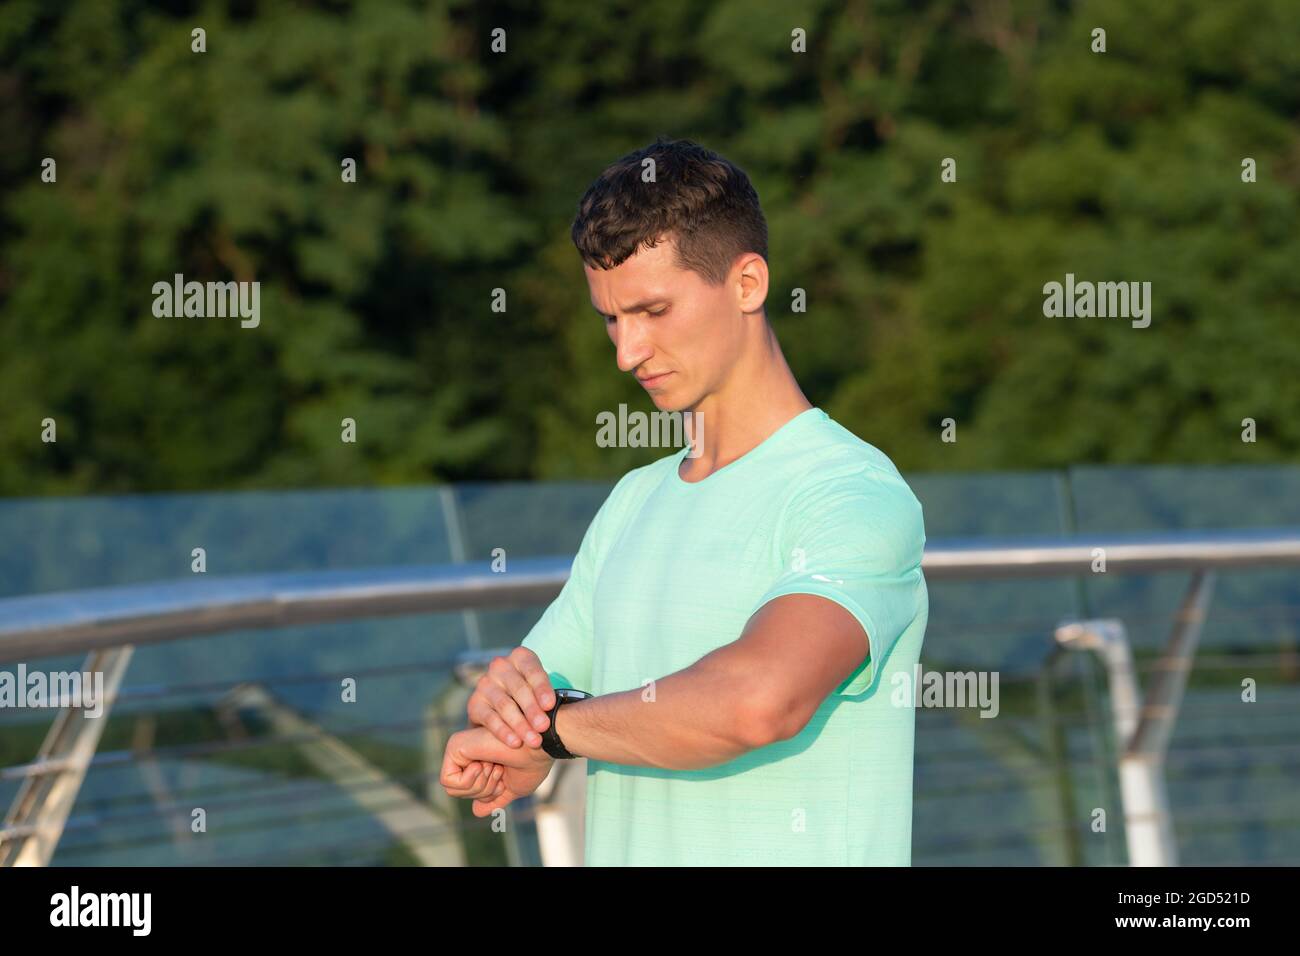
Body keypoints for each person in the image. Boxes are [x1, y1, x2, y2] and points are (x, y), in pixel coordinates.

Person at [440, 137, 928, 865]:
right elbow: (527, 697)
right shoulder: (634, 501)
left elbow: (759, 699)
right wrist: (506, 717)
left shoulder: (854, 494)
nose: (626, 352)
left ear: (748, 283)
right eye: (611, 318)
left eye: (653, 310)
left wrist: (555, 731)